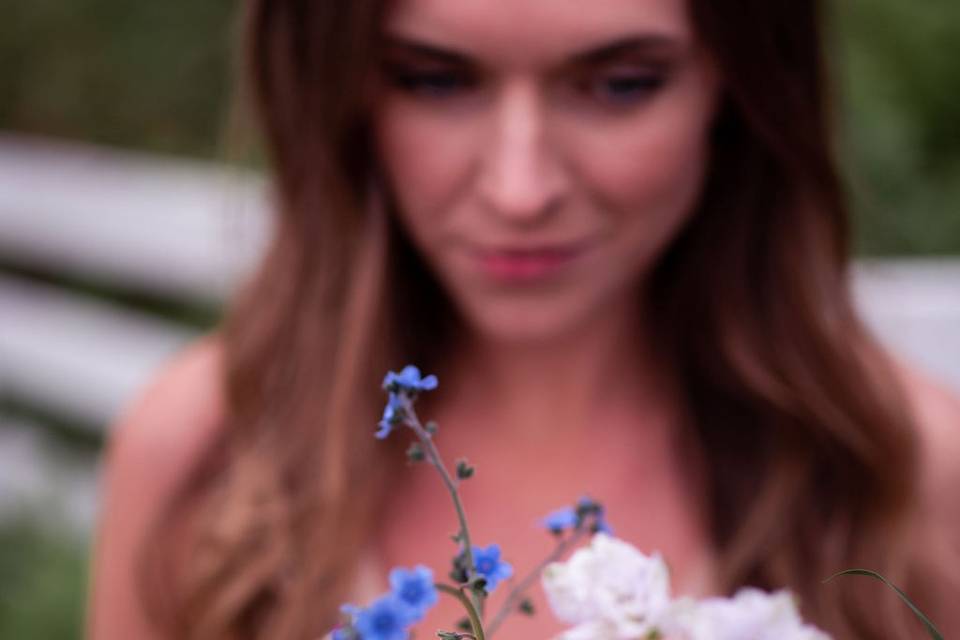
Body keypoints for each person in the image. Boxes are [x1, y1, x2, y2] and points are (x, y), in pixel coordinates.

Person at [88, 0, 960, 638]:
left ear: (742, 89)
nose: (520, 189)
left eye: (621, 84)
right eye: (435, 79)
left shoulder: (900, 472)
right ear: (335, 91)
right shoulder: (205, 456)